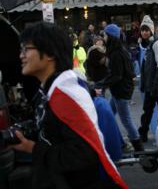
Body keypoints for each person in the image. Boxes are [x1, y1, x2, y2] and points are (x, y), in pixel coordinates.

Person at [11, 21, 127, 189]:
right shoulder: (49, 90)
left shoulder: (65, 95)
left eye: (27, 49)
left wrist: (34, 149)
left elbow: (84, 155)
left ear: (49, 53)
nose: (21, 55)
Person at [98, 24, 144, 151]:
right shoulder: (118, 51)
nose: (104, 38)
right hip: (119, 90)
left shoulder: (117, 54)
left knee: (126, 120)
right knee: (110, 115)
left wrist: (101, 84)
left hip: (121, 91)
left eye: (106, 35)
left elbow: (116, 76)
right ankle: (120, 142)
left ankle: (138, 147)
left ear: (112, 37)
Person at [138, 15, 158, 142]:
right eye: (142, 30)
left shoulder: (157, 44)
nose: (144, 32)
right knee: (147, 111)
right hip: (151, 86)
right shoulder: (147, 45)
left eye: (147, 30)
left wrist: (157, 86)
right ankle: (143, 134)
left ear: (152, 30)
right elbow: (146, 68)